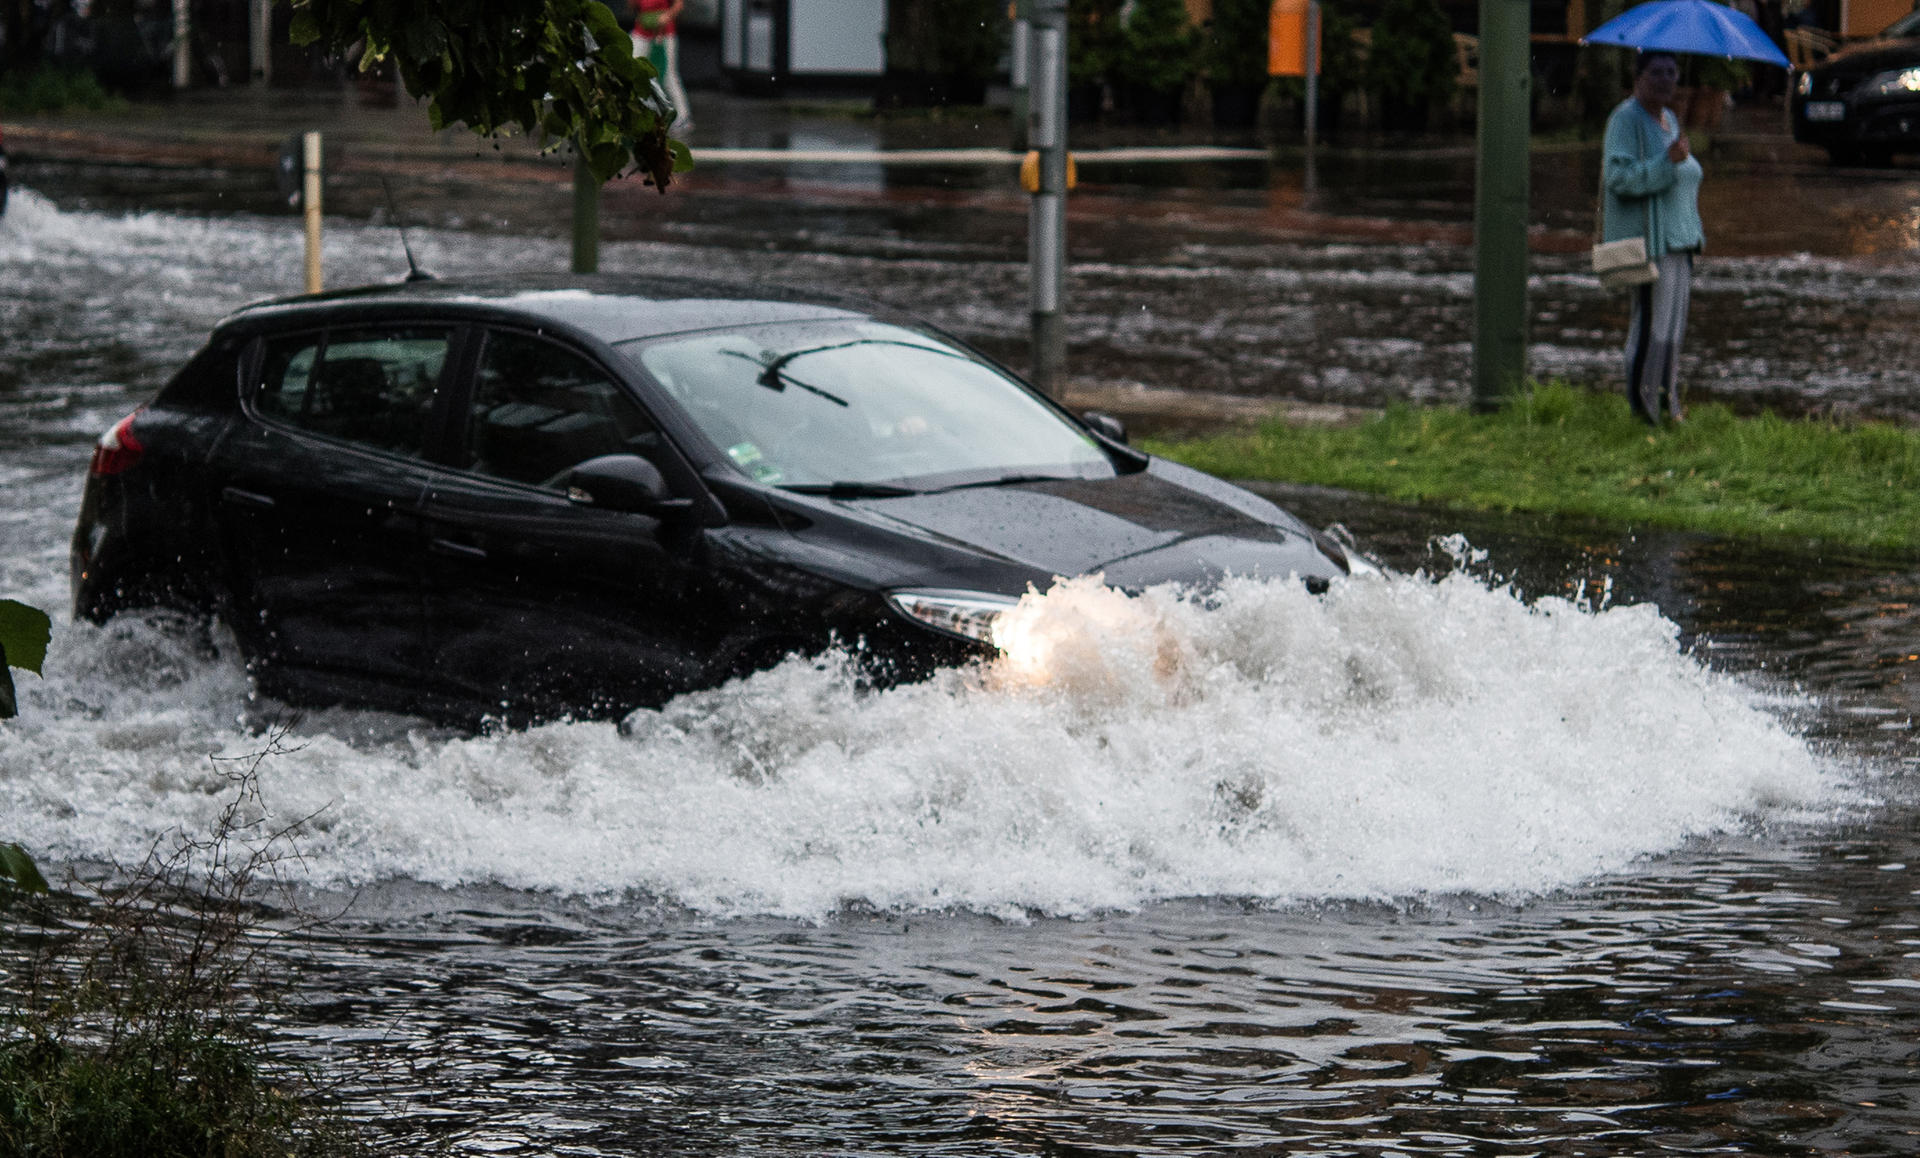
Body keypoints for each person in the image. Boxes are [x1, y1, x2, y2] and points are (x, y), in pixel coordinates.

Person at [1601, 51, 1704, 424]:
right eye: (1656, 72)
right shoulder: (1625, 120)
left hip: (1681, 242)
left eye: (1672, 73)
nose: (1665, 80)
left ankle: (1666, 404)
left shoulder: (1670, 120)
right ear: (1638, 77)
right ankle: (1642, 411)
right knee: (1651, 328)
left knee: (1672, 331)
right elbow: (1618, 179)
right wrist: (1667, 163)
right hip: (1652, 242)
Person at [632, 0, 692, 132]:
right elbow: (633, 5)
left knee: (668, 76)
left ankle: (683, 116)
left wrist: (667, 16)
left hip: (664, 33)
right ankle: (635, 114)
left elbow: (679, 4)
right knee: (633, 70)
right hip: (642, 30)